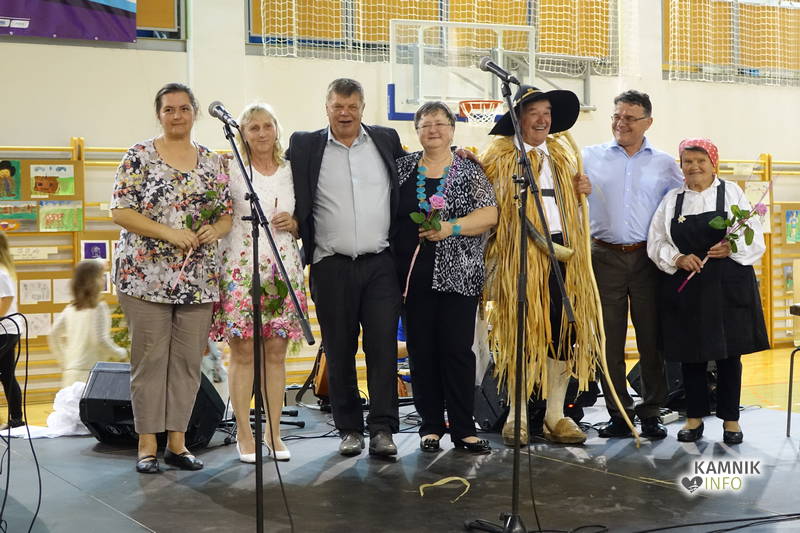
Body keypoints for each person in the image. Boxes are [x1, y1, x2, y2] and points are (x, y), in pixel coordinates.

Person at [111, 82, 233, 474]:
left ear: (194, 112)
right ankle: (147, 445)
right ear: (159, 114)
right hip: (145, 277)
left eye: (183, 108)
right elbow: (120, 211)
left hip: (197, 279)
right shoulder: (139, 156)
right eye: (169, 109)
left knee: (186, 363)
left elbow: (226, 214)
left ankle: (177, 444)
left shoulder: (213, 161)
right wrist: (168, 233)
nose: (177, 115)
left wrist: (216, 228)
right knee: (150, 362)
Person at [287, 78, 404, 457]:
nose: (345, 113)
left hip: (381, 264)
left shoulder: (386, 140)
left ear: (363, 108)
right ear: (326, 108)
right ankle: (350, 429)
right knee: (338, 351)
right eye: (338, 106)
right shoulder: (305, 145)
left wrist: (460, 154)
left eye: (352, 106)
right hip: (330, 266)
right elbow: (272, 168)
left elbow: (419, 167)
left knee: (383, 349)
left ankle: (383, 429)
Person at [481, 85, 601, 446]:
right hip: (521, 255)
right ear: (518, 119)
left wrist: (582, 190)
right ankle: (516, 416)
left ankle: (555, 415)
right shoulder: (500, 158)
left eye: (547, 112)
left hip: (565, 253)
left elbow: (573, 208)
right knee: (522, 333)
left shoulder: (563, 158)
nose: (542, 119)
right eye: (533, 112)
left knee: (563, 332)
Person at [647, 138, 768, 444]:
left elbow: (755, 238)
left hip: (728, 286)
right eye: (688, 161)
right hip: (688, 286)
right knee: (691, 355)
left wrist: (731, 247)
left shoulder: (732, 193)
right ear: (681, 166)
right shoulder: (672, 199)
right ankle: (694, 418)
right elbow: (656, 241)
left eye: (701, 161)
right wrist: (677, 258)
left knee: (729, 356)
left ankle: (731, 421)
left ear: (714, 164)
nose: (694, 167)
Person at [393, 102, 498, 453]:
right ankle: (430, 426)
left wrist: (450, 227)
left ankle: (464, 428)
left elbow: (490, 214)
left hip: (459, 276)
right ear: (417, 131)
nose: (433, 130)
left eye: (440, 123)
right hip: (412, 278)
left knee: (457, 352)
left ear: (452, 129)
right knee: (422, 352)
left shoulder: (468, 169)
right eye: (425, 124)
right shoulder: (403, 168)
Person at [582, 90, 684, 439]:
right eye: (616, 116)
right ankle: (619, 414)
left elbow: (683, 206)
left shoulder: (666, 164)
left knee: (651, 339)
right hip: (602, 256)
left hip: (648, 259)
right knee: (608, 341)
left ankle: (652, 411)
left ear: (648, 122)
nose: (620, 123)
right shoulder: (588, 156)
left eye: (629, 117)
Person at [211, 102, 306, 463]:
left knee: (276, 352)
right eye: (254, 127)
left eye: (268, 126)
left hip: (283, 269)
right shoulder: (230, 168)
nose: (262, 133)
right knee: (243, 352)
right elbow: (218, 215)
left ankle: (274, 433)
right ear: (243, 133)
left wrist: (294, 223)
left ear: (277, 129)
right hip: (241, 268)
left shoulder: (292, 171)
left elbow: (307, 217)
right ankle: (244, 433)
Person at [49, 260, 127, 388]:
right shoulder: (99, 308)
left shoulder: (70, 309)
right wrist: (120, 353)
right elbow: (100, 340)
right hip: (90, 373)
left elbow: (53, 334)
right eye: (101, 276)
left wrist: (64, 361)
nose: (103, 280)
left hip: (70, 373)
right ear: (93, 282)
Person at [0, 231, 24, 431]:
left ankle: (16, 419)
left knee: (7, 374)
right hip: (5, 330)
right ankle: (16, 419)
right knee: (7, 374)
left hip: (5, 330)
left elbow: (6, 300)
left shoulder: (1, 272)